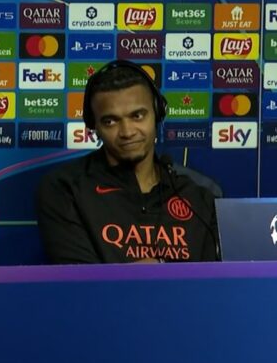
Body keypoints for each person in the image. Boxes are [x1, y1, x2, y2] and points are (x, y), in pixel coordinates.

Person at [36, 59, 219, 264]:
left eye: (137, 116)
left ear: (157, 114)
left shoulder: (201, 193)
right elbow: (81, 279)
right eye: (110, 121)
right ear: (94, 126)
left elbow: (216, 278)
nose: (127, 132)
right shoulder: (66, 189)